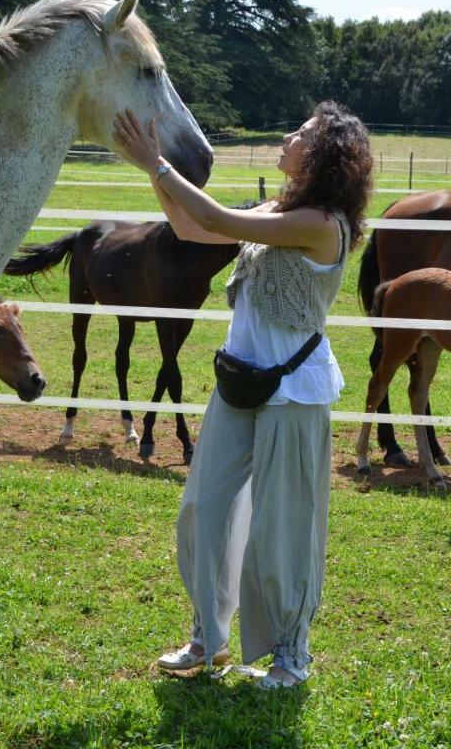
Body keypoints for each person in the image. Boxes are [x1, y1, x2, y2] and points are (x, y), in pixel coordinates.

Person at [112, 102, 373, 689]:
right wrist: (149, 170)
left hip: (293, 392)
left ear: (323, 156)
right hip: (241, 382)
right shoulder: (279, 208)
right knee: (201, 508)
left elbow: (223, 221)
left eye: (300, 133)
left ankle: (290, 655)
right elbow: (191, 227)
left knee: (284, 527)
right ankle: (209, 637)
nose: (287, 135)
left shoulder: (321, 224)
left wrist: (157, 163)